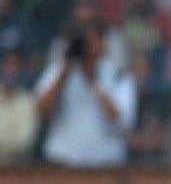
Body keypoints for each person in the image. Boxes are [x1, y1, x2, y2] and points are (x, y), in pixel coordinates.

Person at [33, 21, 137, 168]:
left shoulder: (117, 74)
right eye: (85, 43)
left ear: (103, 44)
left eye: (93, 41)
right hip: (62, 160)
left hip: (106, 163)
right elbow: (41, 110)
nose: (88, 48)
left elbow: (122, 119)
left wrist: (93, 81)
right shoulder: (58, 71)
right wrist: (65, 72)